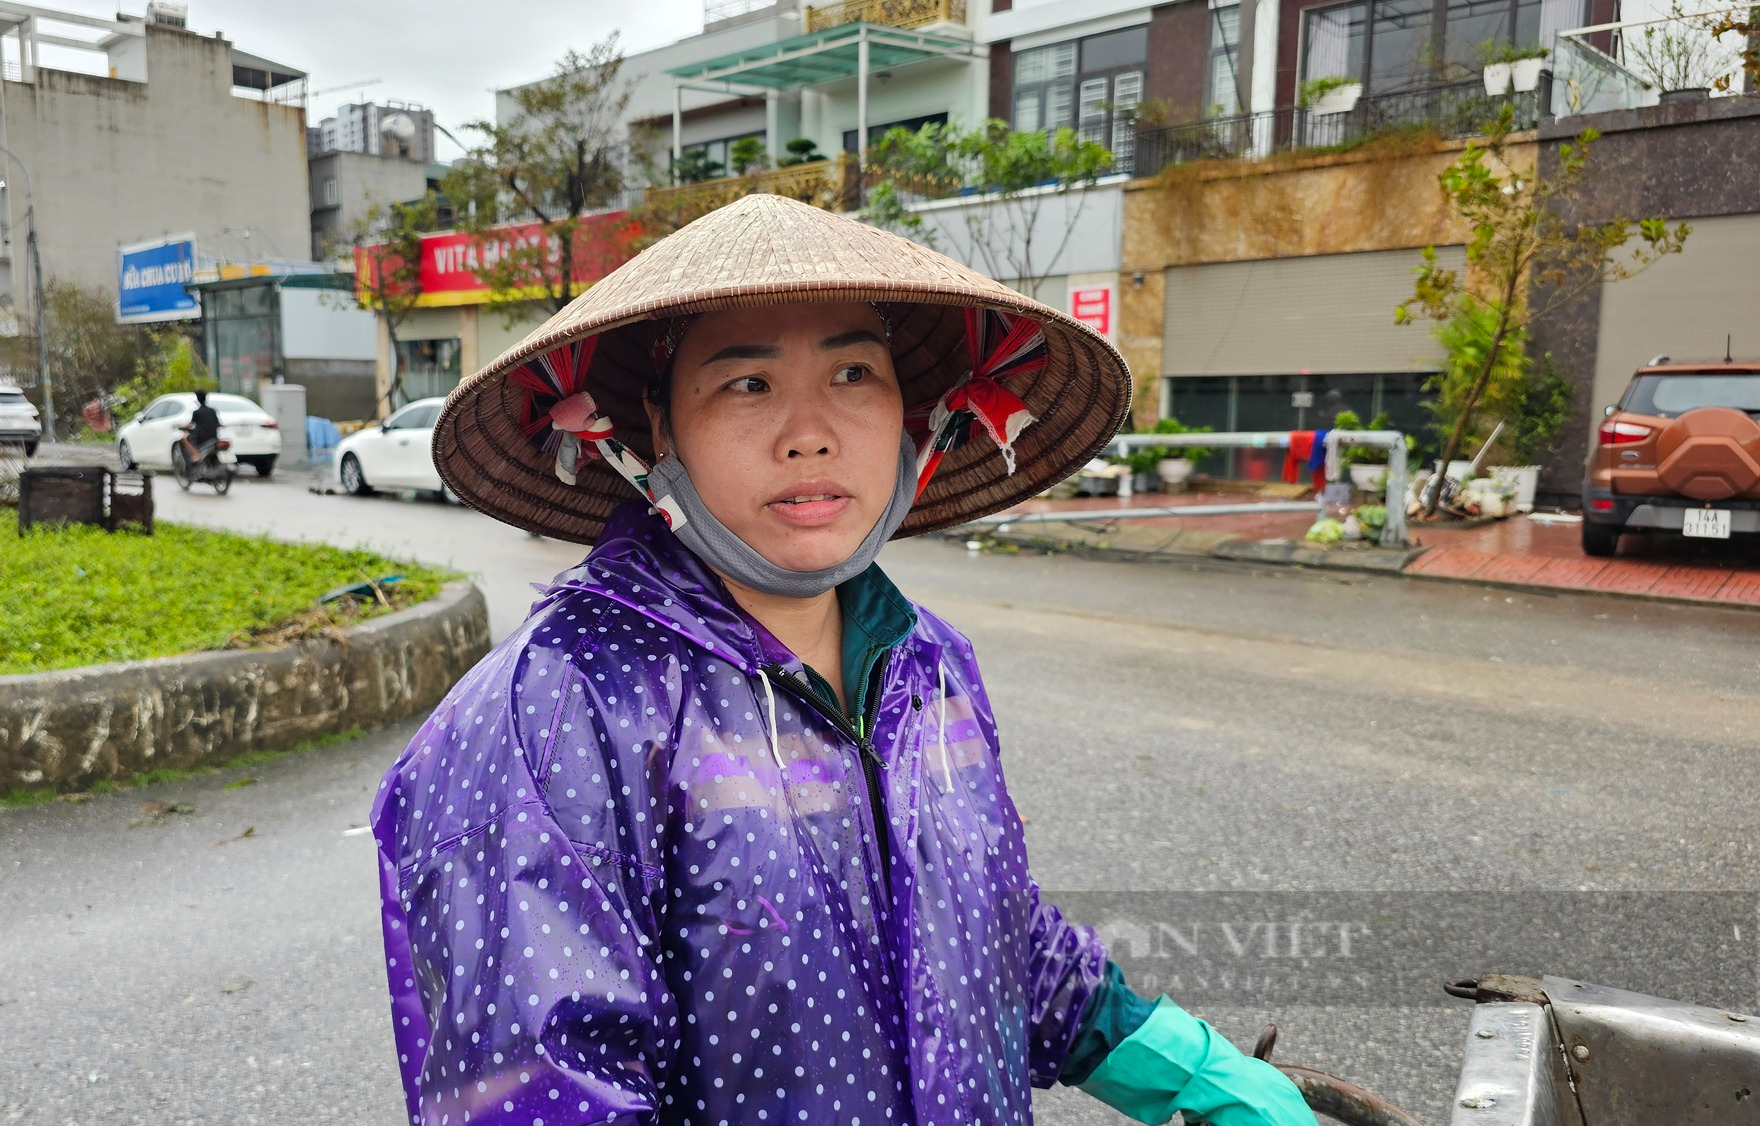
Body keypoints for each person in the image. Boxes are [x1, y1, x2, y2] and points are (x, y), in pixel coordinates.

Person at [371, 195, 1313, 1126]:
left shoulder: (929, 663)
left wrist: (1178, 1063)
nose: (810, 431)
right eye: (747, 384)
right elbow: (542, 1088)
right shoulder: (561, 704)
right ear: (659, 431)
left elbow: (986, 934)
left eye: (854, 372)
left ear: (912, 414)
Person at [180, 389, 220, 474]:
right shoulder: (212, 410)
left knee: (184, 438)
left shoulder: (197, 412)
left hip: (201, 437)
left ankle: (196, 455)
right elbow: (218, 423)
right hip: (214, 436)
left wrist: (183, 426)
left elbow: (191, 424)